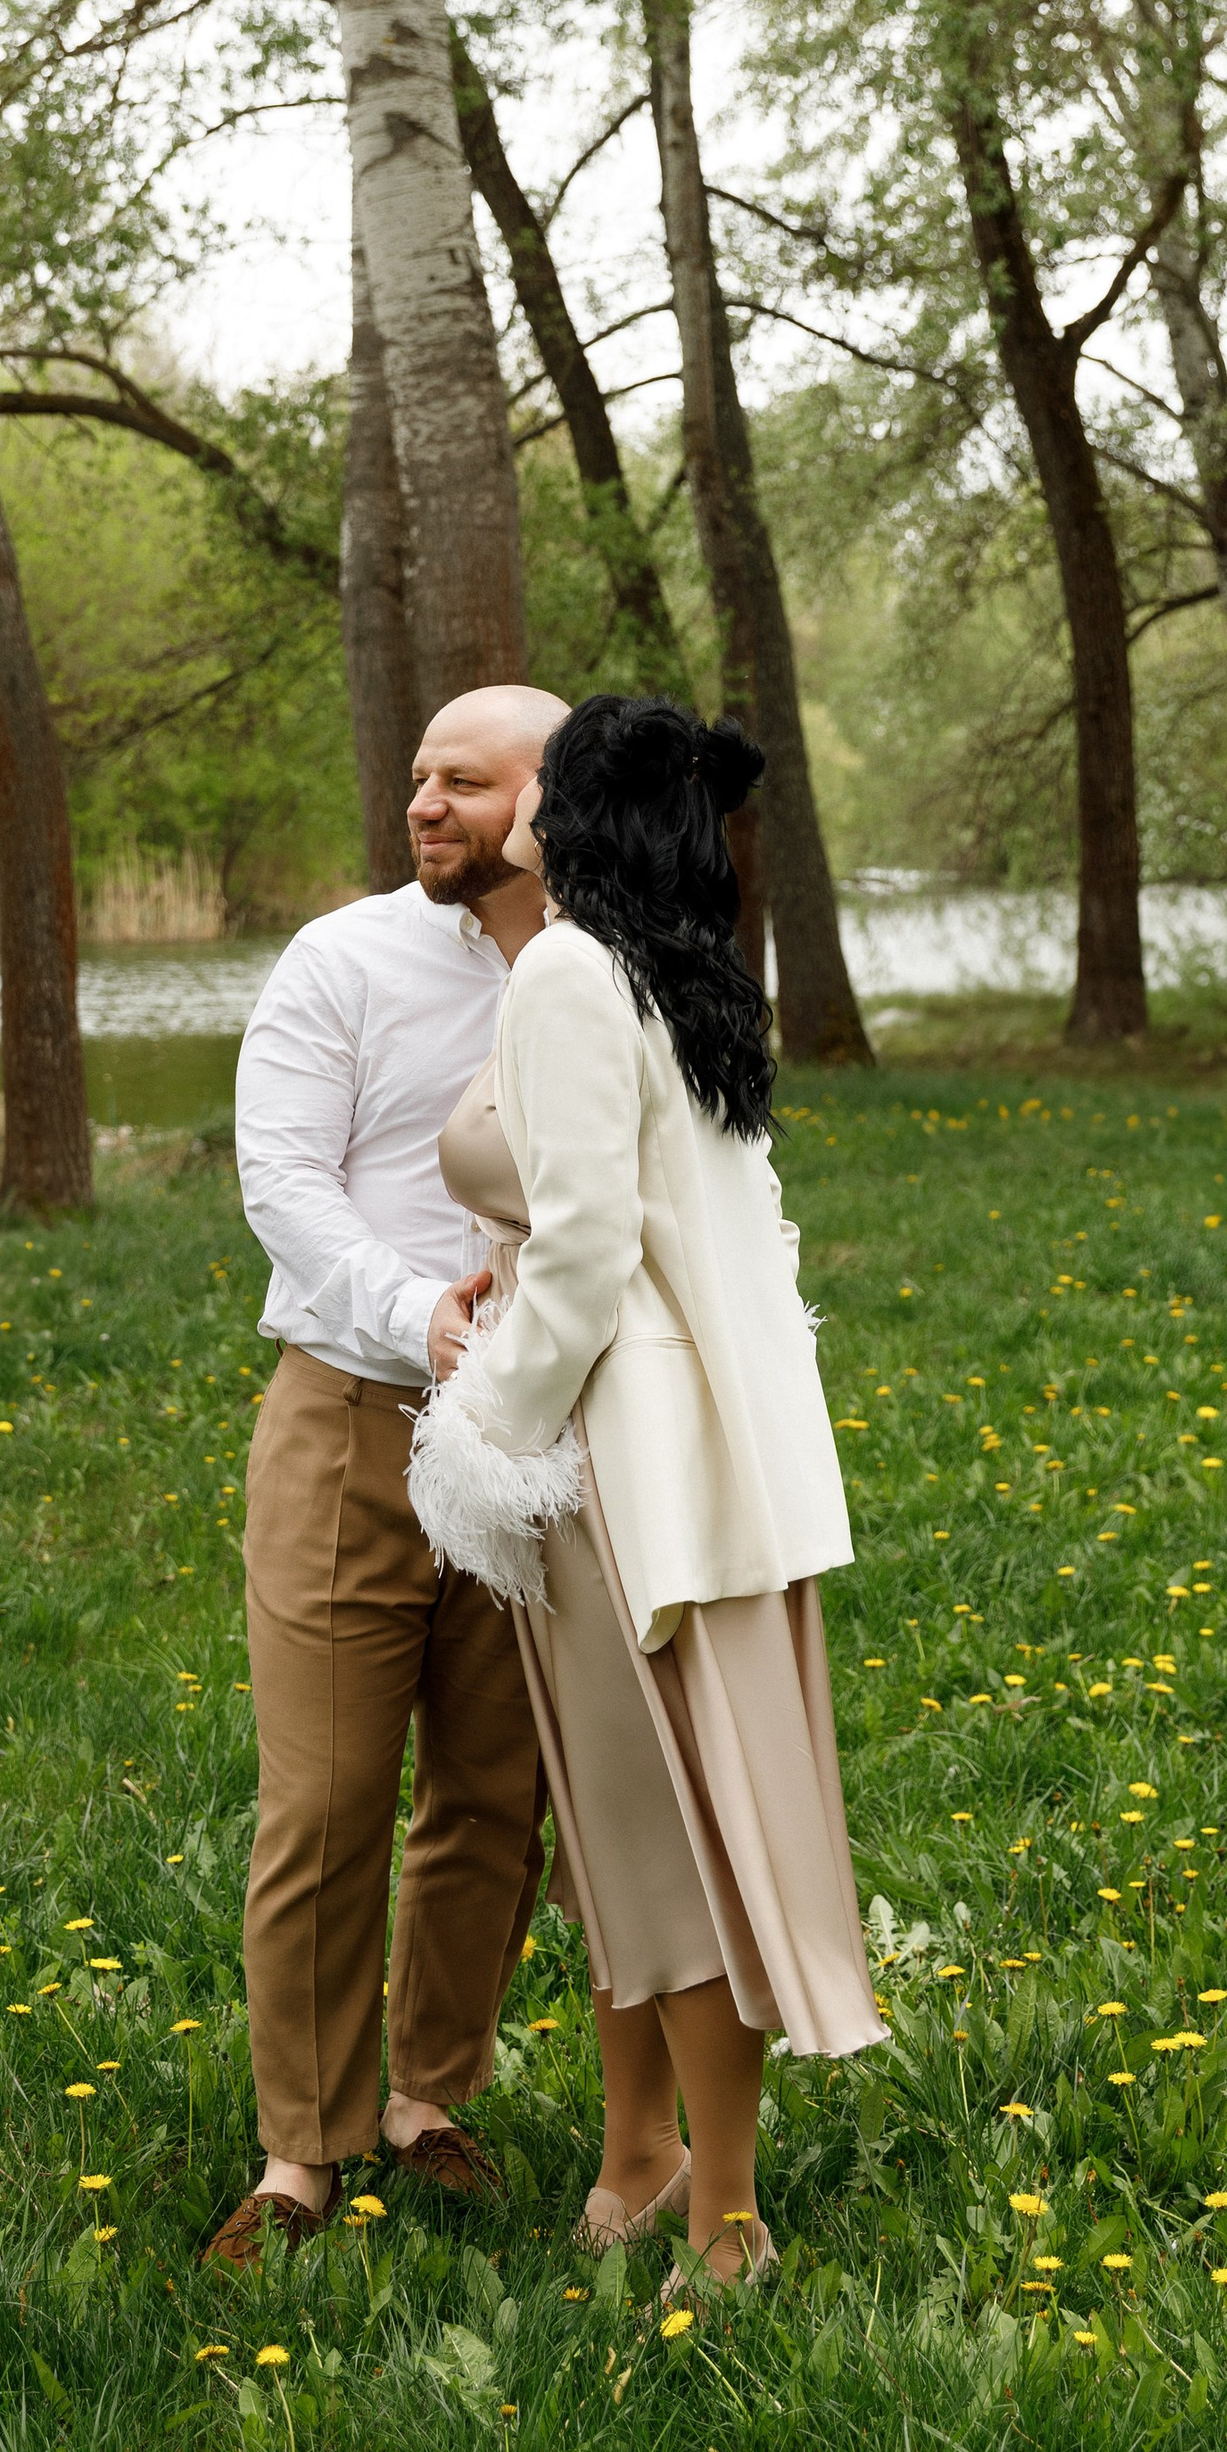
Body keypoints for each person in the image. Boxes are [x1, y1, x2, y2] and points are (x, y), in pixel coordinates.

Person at [409, 693, 883, 2286]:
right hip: (706, 1451)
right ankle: (636, 2155)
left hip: (617, 1464)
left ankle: (727, 2217)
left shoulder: (566, 969)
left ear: (578, 809)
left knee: (666, 1844)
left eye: (536, 777)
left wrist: (488, 1426)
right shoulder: (676, 966)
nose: (510, 798)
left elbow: (591, 1247)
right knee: (630, 1828)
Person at [205, 680, 571, 2266]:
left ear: (548, 800)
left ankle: (426, 2096)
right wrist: (419, 1311)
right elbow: (283, 1180)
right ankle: (302, 2149)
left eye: (464, 781)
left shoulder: (597, 972)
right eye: (419, 774)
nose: (424, 802)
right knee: (331, 1796)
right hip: (353, 1416)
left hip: (538, 1437)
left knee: (497, 1788)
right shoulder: (342, 959)